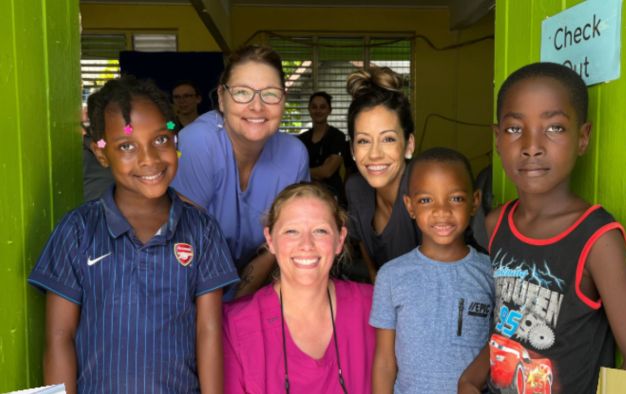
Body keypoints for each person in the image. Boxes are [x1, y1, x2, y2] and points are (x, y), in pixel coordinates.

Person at [458, 62, 626, 394]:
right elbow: (507, 326)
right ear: (497, 139)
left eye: (554, 128)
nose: (532, 145)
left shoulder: (596, 239)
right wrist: (469, 379)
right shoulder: (495, 226)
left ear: (582, 138)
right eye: (513, 129)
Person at [28, 76, 239, 393]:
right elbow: (59, 339)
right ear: (101, 155)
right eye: (126, 146)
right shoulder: (77, 230)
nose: (149, 159)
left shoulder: (201, 229)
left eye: (160, 140)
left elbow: (208, 331)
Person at [172, 45, 310, 298]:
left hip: (254, 289)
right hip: (186, 289)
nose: (257, 106)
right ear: (221, 99)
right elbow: (185, 250)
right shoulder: (198, 142)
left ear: (283, 100)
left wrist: (237, 306)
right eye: (242, 93)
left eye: (270, 94)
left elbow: (278, 247)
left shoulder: (294, 154)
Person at [222, 182, 375, 393]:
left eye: (320, 231)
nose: (306, 245)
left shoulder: (373, 307)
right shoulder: (234, 324)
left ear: (340, 240)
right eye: (291, 231)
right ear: (270, 240)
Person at [371, 147, 494, 394]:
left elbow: (500, 348)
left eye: (456, 198)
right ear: (410, 206)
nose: (441, 211)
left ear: (475, 201)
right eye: (426, 200)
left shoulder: (491, 273)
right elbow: (385, 362)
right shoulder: (392, 276)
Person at [344, 67, 419, 282]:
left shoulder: (423, 190)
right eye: (364, 141)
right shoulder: (356, 188)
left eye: (388, 139)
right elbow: (361, 241)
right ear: (352, 150)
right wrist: (373, 275)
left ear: (409, 144)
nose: (374, 154)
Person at [297, 91, 348, 203]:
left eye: (323, 107)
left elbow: (327, 172)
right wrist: (316, 172)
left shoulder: (337, 136)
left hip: (331, 194)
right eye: (314, 107)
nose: (318, 111)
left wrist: (303, 172)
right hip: (305, 193)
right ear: (309, 110)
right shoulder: (300, 140)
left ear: (330, 110)